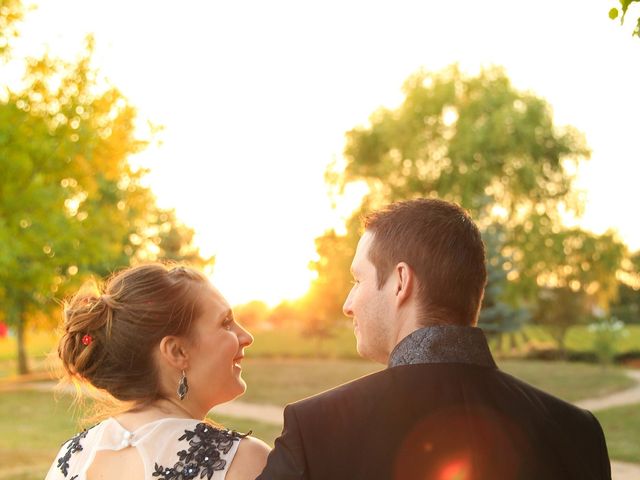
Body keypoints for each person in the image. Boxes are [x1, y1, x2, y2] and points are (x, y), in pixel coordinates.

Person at [257, 198, 611, 480]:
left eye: (357, 280)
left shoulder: (318, 429)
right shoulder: (577, 433)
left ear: (400, 281)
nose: (348, 305)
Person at [45, 263, 270, 480]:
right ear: (177, 351)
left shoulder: (72, 457)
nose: (246, 337)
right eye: (226, 323)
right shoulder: (241, 462)